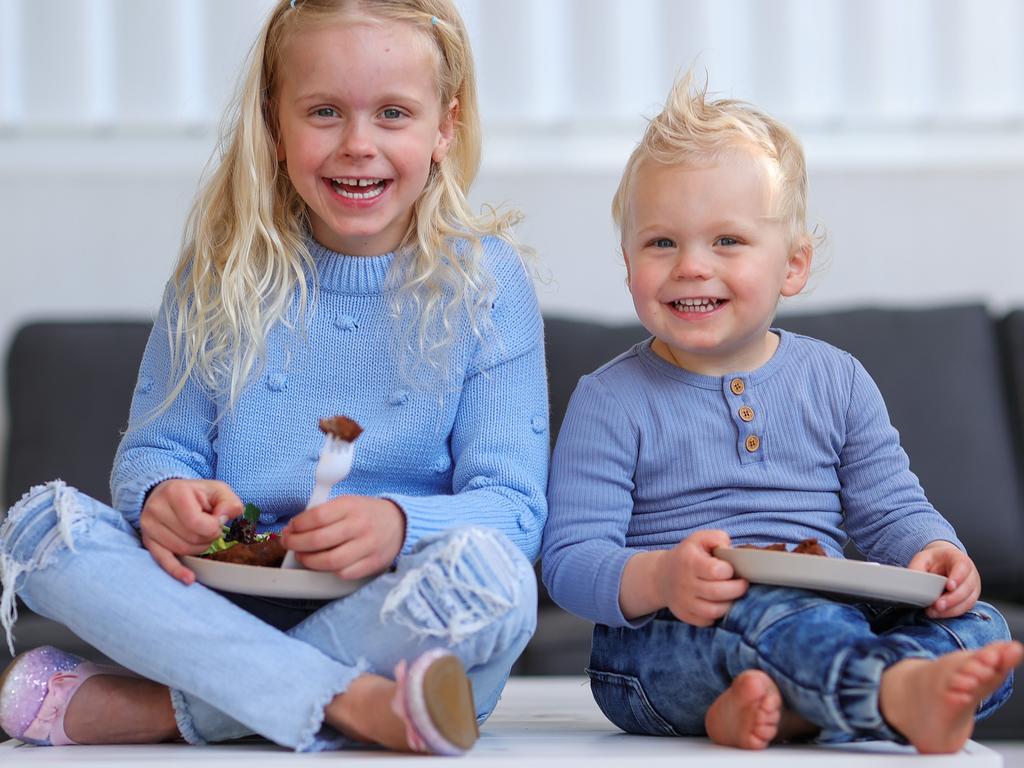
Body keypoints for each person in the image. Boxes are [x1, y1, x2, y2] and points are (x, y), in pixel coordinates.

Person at [0, 0, 548, 755]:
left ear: (444, 127)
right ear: (274, 124)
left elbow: (515, 512)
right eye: (324, 111)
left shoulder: (488, 284)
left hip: (395, 620)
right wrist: (164, 498)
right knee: (40, 530)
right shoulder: (221, 273)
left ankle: (171, 709)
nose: (359, 145)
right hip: (221, 608)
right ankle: (354, 702)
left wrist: (398, 525)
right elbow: (155, 454)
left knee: (500, 586)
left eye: (393, 113)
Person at [541, 71, 1022, 754]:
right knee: (774, 621)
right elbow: (569, 561)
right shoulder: (610, 398)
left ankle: (794, 710)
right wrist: (661, 579)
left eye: (727, 242)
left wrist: (934, 552)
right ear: (628, 264)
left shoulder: (836, 379)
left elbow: (889, 512)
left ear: (792, 265)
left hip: (821, 621)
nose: (691, 267)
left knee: (982, 628)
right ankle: (891, 694)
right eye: (662, 243)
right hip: (661, 652)